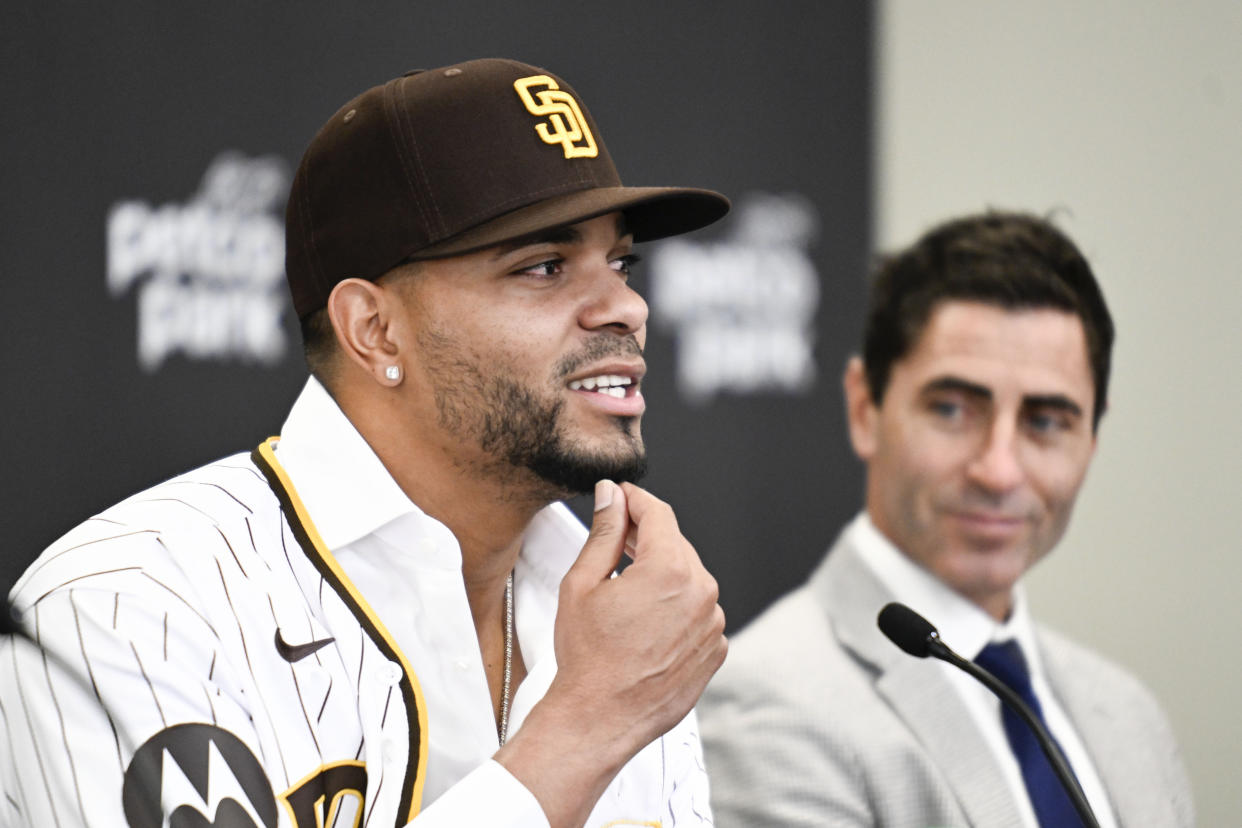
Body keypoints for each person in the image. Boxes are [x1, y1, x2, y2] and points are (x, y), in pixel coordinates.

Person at [0, 58, 729, 828]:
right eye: (545, 267)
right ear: (374, 329)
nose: (626, 307)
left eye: (619, 262)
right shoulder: (130, 606)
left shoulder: (626, 611)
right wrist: (583, 728)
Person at [699, 211, 1194, 827]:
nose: (999, 470)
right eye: (954, 409)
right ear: (864, 408)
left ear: (1093, 436)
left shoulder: (1128, 713)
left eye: (1046, 421)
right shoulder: (766, 703)